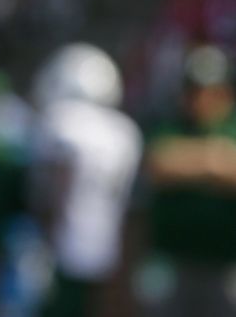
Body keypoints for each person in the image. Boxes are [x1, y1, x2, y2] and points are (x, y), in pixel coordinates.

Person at [27, 42, 142, 317]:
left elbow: (57, 186)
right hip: (105, 251)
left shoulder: (63, 122)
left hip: (62, 247)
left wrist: (48, 235)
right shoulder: (125, 132)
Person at [141, 44, 236, 317]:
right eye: (192, 90)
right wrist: (215, 160)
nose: (199, 99)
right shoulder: (169, 123)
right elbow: (159, 163)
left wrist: (188, 161)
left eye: (208, 90)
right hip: (172, 263)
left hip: (225, 265)